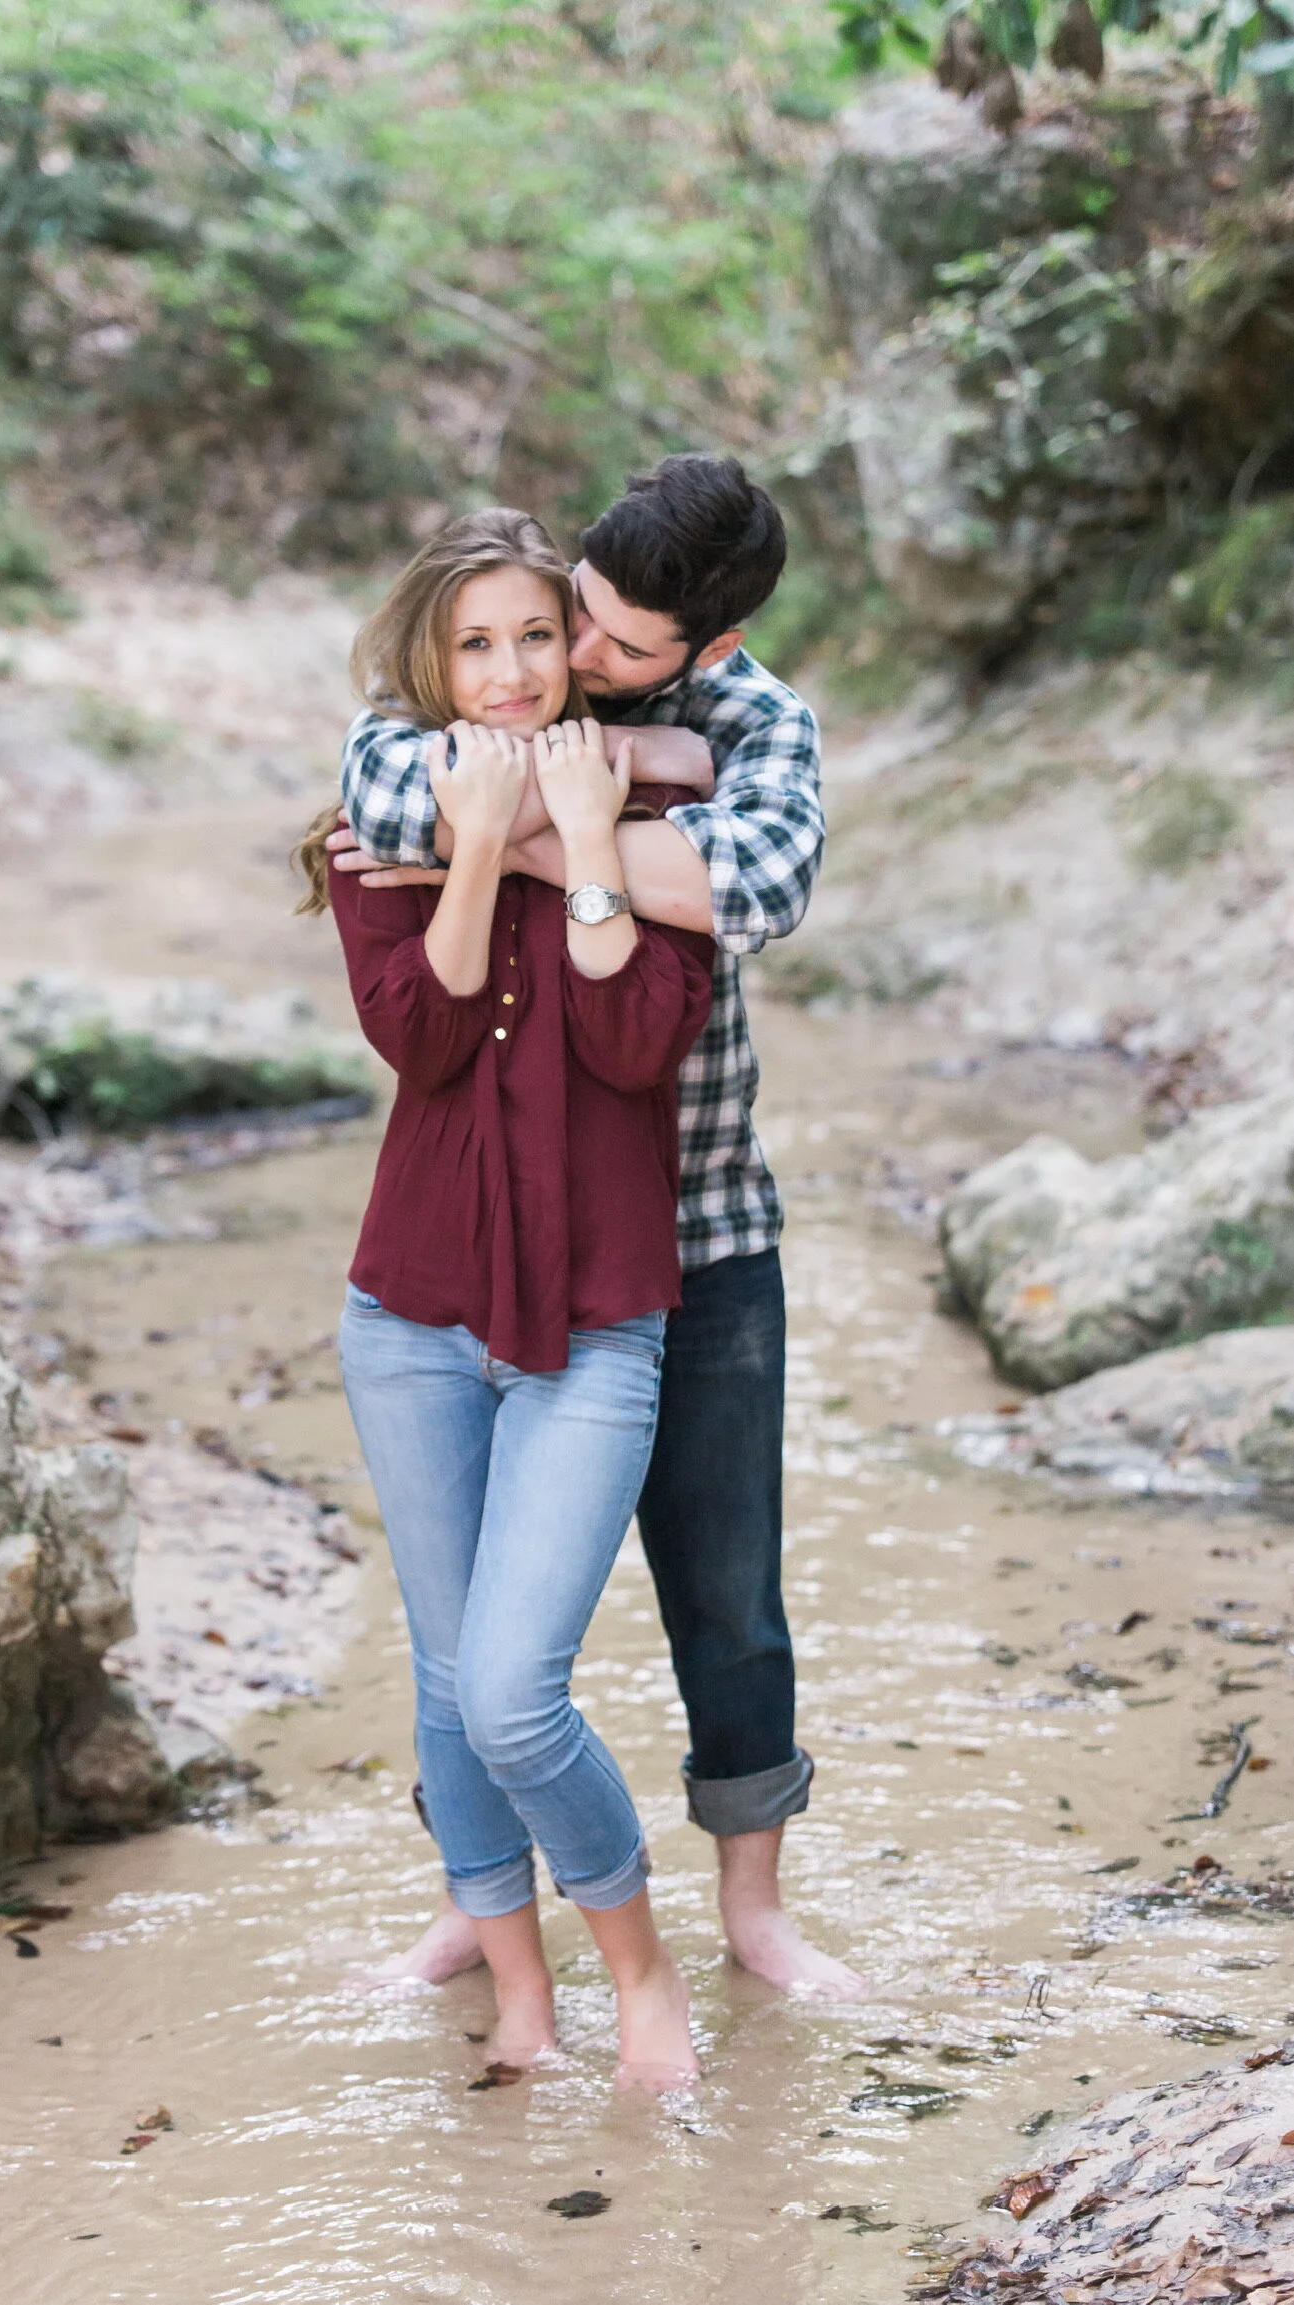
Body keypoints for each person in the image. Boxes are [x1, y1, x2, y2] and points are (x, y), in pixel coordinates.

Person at [331, 454, 864, 2000]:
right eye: (579, 618)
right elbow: (371, 789)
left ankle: (752, 1908)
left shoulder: (758, 725)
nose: (580, 656)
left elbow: (755, 889)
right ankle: (481, 1894)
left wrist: (537, 824)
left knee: (725, 1586)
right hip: (502, 1234)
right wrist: (608, 803)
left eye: (621, 651)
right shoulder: (514, 660)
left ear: (702, 653)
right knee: (466, 1628)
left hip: (698, 1218)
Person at [298, 506, 715, 2086]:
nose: (511, 669)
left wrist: (589, 844)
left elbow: (630, 1048)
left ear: (573, 647)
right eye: (475, 643)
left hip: (596, 1319)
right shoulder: (382, 820)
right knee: (447, 1677)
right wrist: (476, 841)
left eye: (536, 635)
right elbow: (418, 1032)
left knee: (516, 1692)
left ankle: (645, 1972)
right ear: (432, 660)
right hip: (411, 1314)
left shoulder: (662, 819)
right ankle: (521, 1997)